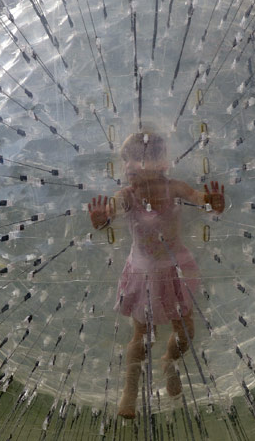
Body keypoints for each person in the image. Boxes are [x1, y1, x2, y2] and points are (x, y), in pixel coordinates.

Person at [88, 131, 225, 419]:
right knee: (141, 337)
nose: (128, 167)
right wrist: (102, 219)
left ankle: (169, 362)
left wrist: (213, 203)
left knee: (185, 333)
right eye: (126, 161)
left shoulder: (174, 187)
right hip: (143, 273)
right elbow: (111, 212)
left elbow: (200, 199)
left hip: (174, 270)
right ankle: (130, 389)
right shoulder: (126, 195)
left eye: (136, 159)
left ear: (160, 162)